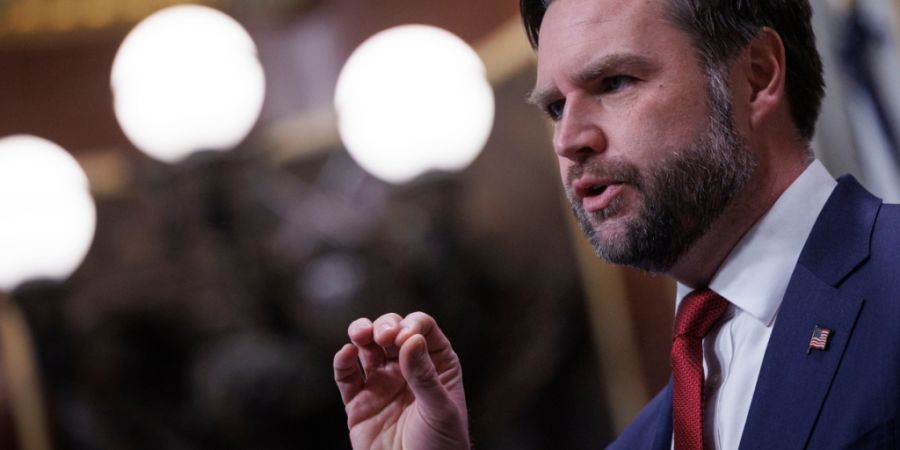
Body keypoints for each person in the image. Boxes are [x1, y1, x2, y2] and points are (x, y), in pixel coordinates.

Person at [333, 0, 900, 448]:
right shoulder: (645, 438)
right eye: (556, 107)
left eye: (614, 83)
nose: (568, 139)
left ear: (756, 74)